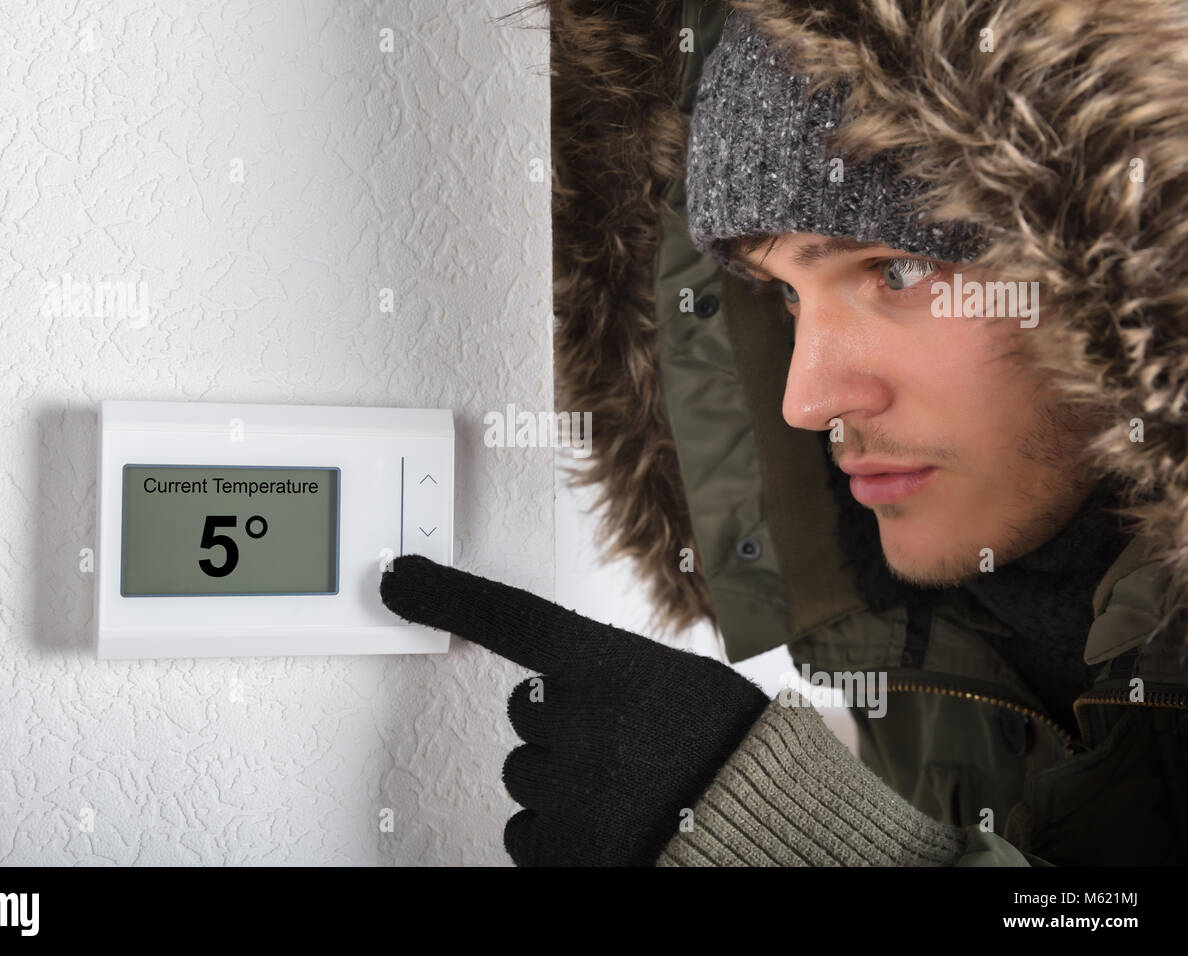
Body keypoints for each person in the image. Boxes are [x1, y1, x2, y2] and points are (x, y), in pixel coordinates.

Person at [381, 0, 1188, 865]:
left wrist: (774, 830)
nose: (805, 400)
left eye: (898, 269)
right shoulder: (912, 641)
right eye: (783, 293)